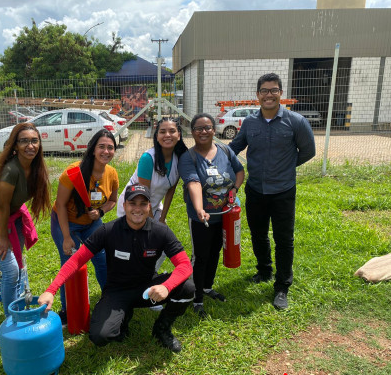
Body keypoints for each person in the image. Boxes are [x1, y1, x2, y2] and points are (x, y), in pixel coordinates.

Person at [39, 185, 195, 352]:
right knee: (100, 336)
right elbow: (76, 260)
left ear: (149, 206)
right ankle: (123, 315)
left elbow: (185, 265)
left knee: (188, 287)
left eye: (143, 203)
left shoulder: (160, 231)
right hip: (117, 291)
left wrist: (166, 286)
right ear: (124, 206)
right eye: (132, 203)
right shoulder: (108, 230)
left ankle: (162, 328)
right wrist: (51, 290)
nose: (137, 208)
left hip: (147, 289)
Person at [229, 73, 316, 310]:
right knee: (258, 235)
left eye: (274, 90)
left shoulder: (296, 121)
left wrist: (286, 166)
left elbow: (308, 151)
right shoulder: (249, 123)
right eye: (264, 91)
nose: (269, 95)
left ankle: (281, 287)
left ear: (280, 94)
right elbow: (234, 148)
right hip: (256, 190)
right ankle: (265, 271)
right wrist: (208, 156)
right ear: (257, 95)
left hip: (283, 191)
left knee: (284, 239)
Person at [0, 123, 51, 315]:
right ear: (14, 145)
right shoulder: (10, 170)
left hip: (14, 217)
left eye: (34, 141)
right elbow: (2, 206)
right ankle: (10, 317)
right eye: (24, 141)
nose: (30, 146)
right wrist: (3, 238)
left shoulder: (35, 167)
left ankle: (17, 306)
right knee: (11, 270)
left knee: (18, 266)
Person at [178, 113, 245, 318]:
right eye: (198, 128)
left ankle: (207, 287)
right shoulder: (188, 157)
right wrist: (199, 209)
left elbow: (240, 171)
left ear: (214, 130)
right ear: (192, 132)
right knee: (201, 256)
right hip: (203, 218)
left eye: (207, 127)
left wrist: (234, 188)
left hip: (225, 215)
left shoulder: (225, 150)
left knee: (216, 251)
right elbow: (193, 183)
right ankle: (196, 297)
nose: (203, 131)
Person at [51, 129, 119, 324]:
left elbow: (112, 200)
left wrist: (101, 212)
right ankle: (67, 310)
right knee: (70, 264)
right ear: (92, 149)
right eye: (102, 147)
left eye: (110, 148)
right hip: (66, 222)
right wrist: (66, 237)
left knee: (103, 260)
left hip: (92, 222)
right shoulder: (73, 172)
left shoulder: (112, 174)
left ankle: (109, 301)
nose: (106, 151)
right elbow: (61, 205)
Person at [117, 117, 188, 271]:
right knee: (137, 246)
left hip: (155, 207)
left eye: (172, 131)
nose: (167, 135)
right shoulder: (148, 158)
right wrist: (152, 224)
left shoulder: (179, 158)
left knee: (162, 245)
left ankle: (149, 275)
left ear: (179, 135)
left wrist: (162, 219)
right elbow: (143, 197)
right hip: (134, 207)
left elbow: (171, 190)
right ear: (157, 136)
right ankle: (132, 278)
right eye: (162, 131)